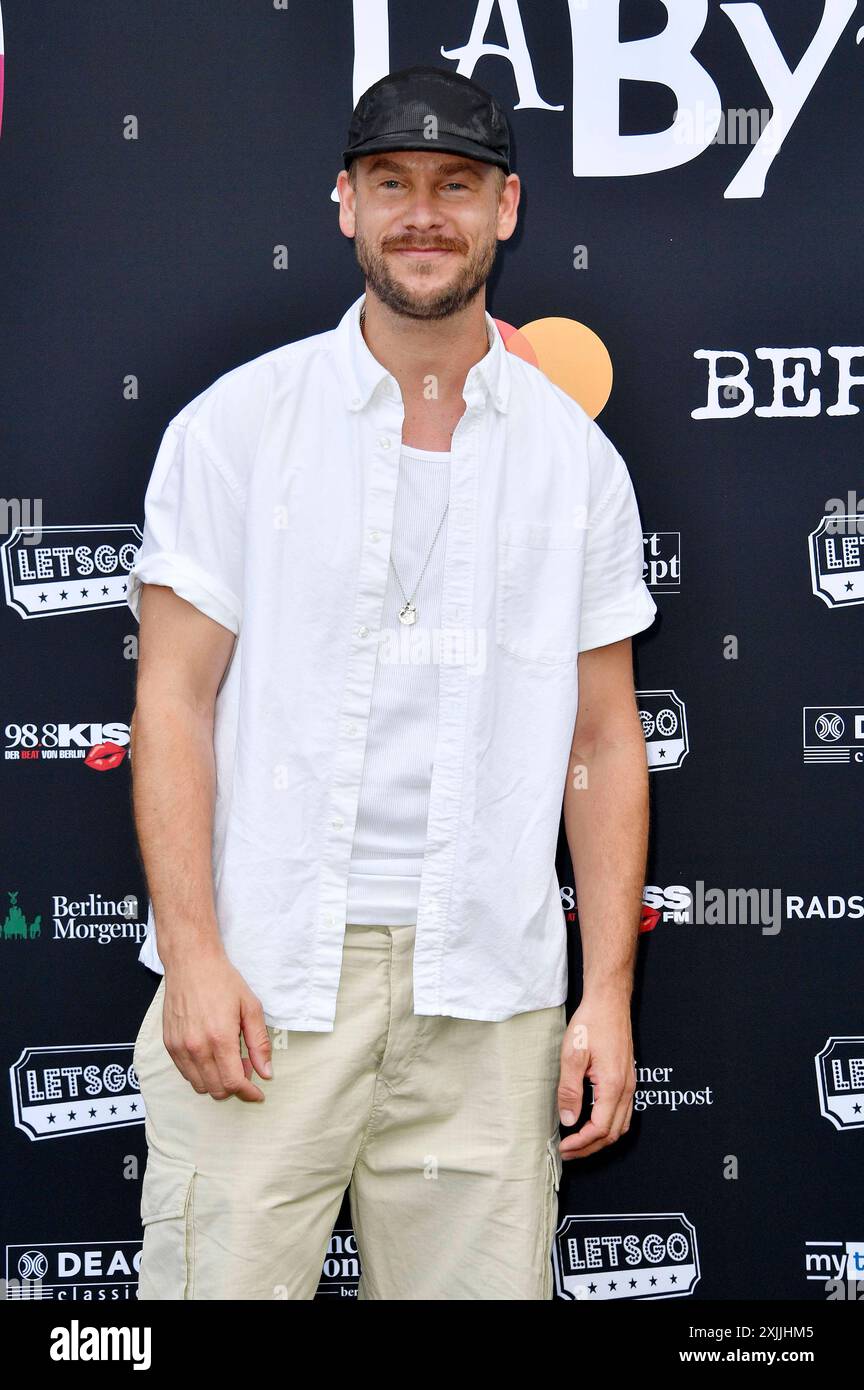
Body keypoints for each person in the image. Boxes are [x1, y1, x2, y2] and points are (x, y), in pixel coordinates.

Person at [127, 63, 658, 1301]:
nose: (425, 213)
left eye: (456, 185)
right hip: (263, 982)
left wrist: (608, 999)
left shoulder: (577, 464)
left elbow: (603, 741)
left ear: (507, 208)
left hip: (490, 997)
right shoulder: (233, 428)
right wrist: (193, 954)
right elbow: (172, 702)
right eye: (393, 183)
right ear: (345, 204)